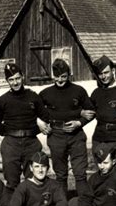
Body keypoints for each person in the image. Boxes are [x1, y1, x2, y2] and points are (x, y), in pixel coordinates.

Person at [40, 58, 95, 196]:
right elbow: (34, 111)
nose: (60, 80)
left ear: (69, 75)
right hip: (56, 135)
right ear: (53, 75)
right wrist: (40, 123)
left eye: (63, 76)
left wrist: (79, 122)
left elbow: (91, 112)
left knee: (80, 173)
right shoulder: (45, 93)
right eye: (57, 77)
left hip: (76, 136)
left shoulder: (79, 91)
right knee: (60, 174)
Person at [0, 63, 51, 195]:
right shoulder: (3, 100)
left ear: (23, 77)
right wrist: (10, 132)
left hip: (31, 142)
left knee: (33, 179)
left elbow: (45, 117)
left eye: (17, 78)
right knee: (11, 181)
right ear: (7, 81)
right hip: (11, 144)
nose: (15, 82)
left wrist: (36, 124)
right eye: (11, 80)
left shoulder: (33, 97)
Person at [90, 55, 116, 155]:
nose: (103, 77)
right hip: (100, 140)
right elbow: (89, 113)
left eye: (106, 72)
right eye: (100, 74)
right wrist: (81, 116)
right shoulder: (96, 93)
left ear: (113, 71)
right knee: (103, 170)